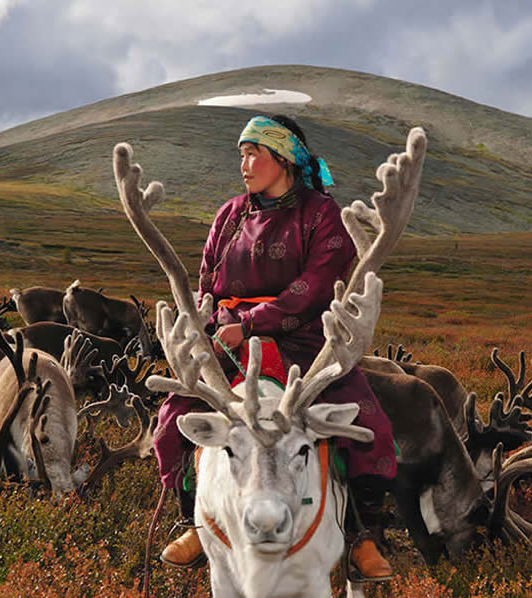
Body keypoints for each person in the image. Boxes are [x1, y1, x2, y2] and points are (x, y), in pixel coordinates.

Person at [153, 114, 396, 580]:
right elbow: (206, 280)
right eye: (241, 154)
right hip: (226, 342)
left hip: (302, 340)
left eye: (253, 154)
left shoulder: (322, 215)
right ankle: (195, 524)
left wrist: (250, 323)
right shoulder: (229, 215)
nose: (244, 164)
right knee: (173, 418)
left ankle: (365, 535)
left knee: (366, 418)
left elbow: (315, 288)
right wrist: (208, 323)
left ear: (284, 159)